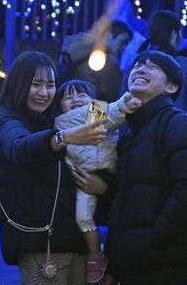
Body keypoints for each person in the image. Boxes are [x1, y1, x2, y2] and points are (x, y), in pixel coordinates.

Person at [0, 51, 111, 284]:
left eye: (50, 85)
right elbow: (20, 148)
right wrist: (63, 138)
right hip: (41, 247)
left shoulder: (51, 120)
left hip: (75, 243)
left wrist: (103, 187)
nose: (44, 93)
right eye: (36, 85)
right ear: (19, 84)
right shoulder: (7, 123)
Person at [106, 51, 187, 285]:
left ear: (172, 87)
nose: (140, 69)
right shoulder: (130, 130)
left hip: (164, 264)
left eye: (152, 67)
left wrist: (156, 238)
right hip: (132, 264)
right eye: (137, 65)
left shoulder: (177, 123)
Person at [53, 81, 142, 283]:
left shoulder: (96, 112)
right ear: (59, 106)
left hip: (104, 174)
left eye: (82, 95)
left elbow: (111, 114)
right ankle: (95, 255)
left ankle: (105, 258)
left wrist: (125, 104)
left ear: (93, 100)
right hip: (81, 180)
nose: (75, 100)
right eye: (68, 98)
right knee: (82, 217)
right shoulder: (59, 124)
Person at [132, 10, 187, 157]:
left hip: (139, 146)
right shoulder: (186, 67)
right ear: (173, 35)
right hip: (178, 143)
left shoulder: (135, 66)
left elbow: (122, 106)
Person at [60, 20, 132, 103]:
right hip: (94, 110)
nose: (124, 48)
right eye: (123, 42)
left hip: (67, 106)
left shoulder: (73, 48)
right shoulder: (110, 61)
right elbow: (115, 99)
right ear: (108, 36)